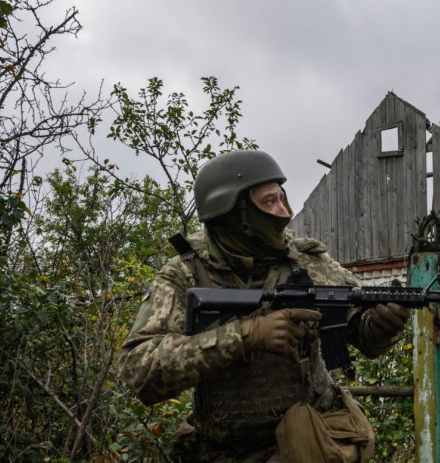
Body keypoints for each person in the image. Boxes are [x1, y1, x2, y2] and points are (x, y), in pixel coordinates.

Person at [119, 150, 410, 462]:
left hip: (308, 441)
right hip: (225, 450)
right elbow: (140, 371)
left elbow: (360, 330)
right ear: (235, 212)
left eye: (282, 198)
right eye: (269, 201)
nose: (283, 211)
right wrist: (247, 335)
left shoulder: (306, 261)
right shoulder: (186, 274)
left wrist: (383, 324)